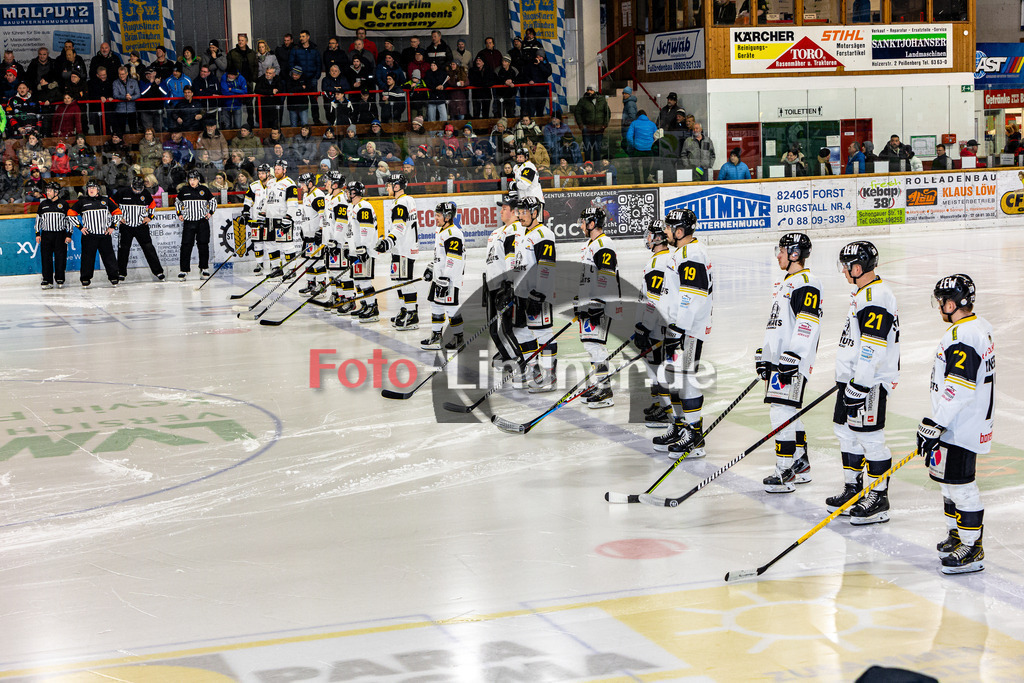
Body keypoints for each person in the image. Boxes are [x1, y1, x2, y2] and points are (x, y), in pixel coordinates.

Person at [917, 274, 994, 574]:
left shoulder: (963, 335)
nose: (939, 308)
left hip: (961, 424)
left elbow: (959, 387)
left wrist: (935, 423)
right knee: (948, 484)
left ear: (951, 303)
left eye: (941, 302)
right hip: (958, 421)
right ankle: (957, 534)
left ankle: (973, 547)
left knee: (962, 486)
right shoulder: (977, 327)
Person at [829, 241, 901, 524]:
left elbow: (873, 346)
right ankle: (853, 489)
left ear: (857, 268)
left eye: (847, 267)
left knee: (871, 438)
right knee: (844, 430)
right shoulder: (863, 293)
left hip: (869, 381)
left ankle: (878, 497)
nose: (844, 272)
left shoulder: (876, 296)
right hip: (853, 378)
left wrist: (860, 384)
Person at [755, 233, 823, 492]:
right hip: (779, 358)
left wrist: (793, 355)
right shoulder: (787, 282)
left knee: (781, 411)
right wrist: (765, 353)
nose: (778, 255)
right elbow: (778, 324)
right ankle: (800, 464)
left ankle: (785, 471)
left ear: (795, 254)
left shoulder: (806, 282)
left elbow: (807, 322)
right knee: (788, 411)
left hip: (791, 360)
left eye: (782, 250)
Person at [653, 208, 712, 457]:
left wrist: (679, 328)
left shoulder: (692, 253)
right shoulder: (681, 252)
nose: (665, 231)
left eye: (669, 227)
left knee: (686, 379)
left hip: (687, 330)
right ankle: (680, 427)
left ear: (679, 231)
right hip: (677, 327)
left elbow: (692, 295)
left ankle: (694, 435)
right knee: (675, 378)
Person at [510, 196, 558, 391]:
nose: (520, 215)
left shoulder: (544, 234)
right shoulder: (522, 234)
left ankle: (549, 377)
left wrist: (539, 293)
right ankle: (533, 371)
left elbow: (546, 267)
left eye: (524, 212)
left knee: (543, 333)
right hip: (521, 293)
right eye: (519, 212)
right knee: (520, 331)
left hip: (538, 294)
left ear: (535, 213)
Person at [575, 207, 621, 408]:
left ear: (593, 223)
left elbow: (606, 274)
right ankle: (599, 383)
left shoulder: (604, 243)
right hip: (590, 302)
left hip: (600, 304)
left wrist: (598, 302)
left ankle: (605, 391)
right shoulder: (590, 244)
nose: (581, 225)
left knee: (595, 345)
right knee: (590, 345)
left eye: (584, 222)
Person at [634, 219, 674, 428]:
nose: (647, 238)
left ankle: (666, 410)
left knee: (656, 366)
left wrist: (645, 325)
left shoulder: (659, 262)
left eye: (650, 234)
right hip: (658, 323)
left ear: (658, 237)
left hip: (658, 325)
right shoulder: (663, 258)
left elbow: (655, 298)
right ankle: (661, 403)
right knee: (655, 364)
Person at [483, 190, 524, 366]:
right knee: (493, 328)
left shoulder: (516, 229)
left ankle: (516, 357)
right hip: (491, 284)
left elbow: (512, 259)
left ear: (514, 211)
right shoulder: (498, 231)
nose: (501, 211)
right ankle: (505, 352)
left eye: (505, 208)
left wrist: (509, 284)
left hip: (503, 285)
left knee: (505, 327)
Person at [419, 200, 467, 349]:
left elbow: (453, 260)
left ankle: (459, 337)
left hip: (449, 279)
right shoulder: (440, 231)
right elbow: (441, 257)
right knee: (435, 304)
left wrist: (446, 279)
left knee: (451, 307)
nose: (436, 218)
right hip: (439, 277)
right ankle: (436, 336)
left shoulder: (453, 233)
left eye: (438, 215)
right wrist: (432, 268)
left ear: (447, 216)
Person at [373, 172, 419, 325]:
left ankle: (412, 314)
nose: (387, 187)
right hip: (401, 248)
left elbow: (399, 227)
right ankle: (405, 309)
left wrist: (388, 241)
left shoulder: (401, 203)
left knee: (405, 281)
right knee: (398, 280)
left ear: (397, 186)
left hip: (403, 249)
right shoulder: (407, 200)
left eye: (389, 185)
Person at [69, 179, 121, 287]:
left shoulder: (105, 200)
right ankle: (85, 278)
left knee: (109, 257)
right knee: (87, 258)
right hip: (89, 236)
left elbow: (117, 212)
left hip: (104, 235)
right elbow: (70, 214)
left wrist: (112, 226)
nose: (91, 190)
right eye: (89, 188)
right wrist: (80, 227)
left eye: (93, 188)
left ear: (98, 189)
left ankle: (114, 277)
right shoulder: (82, 201)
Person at [113, 177, 165, 282]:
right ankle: (121, 273)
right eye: (136, 189)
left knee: (149, 249)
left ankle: (158, 272)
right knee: (123, 250)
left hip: (141, 226)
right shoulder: (122, 192)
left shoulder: (145, 193)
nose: (137, 191)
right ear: (132, 185)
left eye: (139, 189)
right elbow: (111, 203)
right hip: (126, 226)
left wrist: (150, 216)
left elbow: (152, 204)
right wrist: (118, 217)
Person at [174, 169, 217, 280]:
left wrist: (210, 212)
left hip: (202, 222)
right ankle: (184, 270)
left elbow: (213, 201)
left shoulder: (204, 190)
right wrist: (179, 213)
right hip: (189, 222)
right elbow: (177, 202)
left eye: (194, 179)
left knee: (203, 245)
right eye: (190, 179)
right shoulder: (184, 190)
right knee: (186, 246)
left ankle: (204, 268)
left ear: (198, 180)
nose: (192, 181)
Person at [35, 182, 73, 289]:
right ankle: (47, 279)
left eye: (50, 190)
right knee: (46, 257)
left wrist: (68, 234)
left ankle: (60, 278)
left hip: (60, 235)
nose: (47, 192)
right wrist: (38, 233)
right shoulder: (43, 204)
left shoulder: (63, 204)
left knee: (60, 257)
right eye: (47, 190)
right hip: (46, 235)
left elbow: (69, 220)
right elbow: (38, 220)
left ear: (56, 192)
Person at [295, 173, 328, 295]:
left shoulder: (318, 195)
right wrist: (304, 230)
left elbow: (322, 214)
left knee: (317, 260)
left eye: (303, 184)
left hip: (316, 233)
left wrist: (320, 230)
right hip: (308, 233)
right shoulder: (306, 194)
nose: (301, 186)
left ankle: (321, 285)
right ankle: (311, 283)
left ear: (310, 183)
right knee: (308, 259)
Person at [242, 163, 272, 274]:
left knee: (271, 242)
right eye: (259, 173)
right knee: (258, 242)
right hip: (256, 218)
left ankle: (274, 264)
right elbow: (248, 200)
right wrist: (245, 212)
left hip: (270, 219)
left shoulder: (273, 185)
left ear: (268, 173)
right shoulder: (254, 185)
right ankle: (259, 264)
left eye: (263, 173)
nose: (261, 175)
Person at [575, 84, 610, 162]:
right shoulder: (583, 100)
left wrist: (605, 124)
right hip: (587, 129)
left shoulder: (602, 100)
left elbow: (607, 112)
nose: (589, 92)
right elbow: (577, 112)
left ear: (595, 91)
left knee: (597, 150)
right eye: (588, 90)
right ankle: (587, 167)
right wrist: (581, 125)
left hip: (599, 129)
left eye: (591, 90)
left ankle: (596, 168)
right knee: (587, 149)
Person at [625, 109, 657, 182]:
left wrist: (633, 145)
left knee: (635, 168)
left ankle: (637, 182)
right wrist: (651, 145)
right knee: (646, 168)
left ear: (637, 116)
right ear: (646, 116)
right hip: (649, 150)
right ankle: (646, 183)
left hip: (637, 149)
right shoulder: (652, 124)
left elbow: (629, 137)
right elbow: (657, 137)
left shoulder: (634, 123)